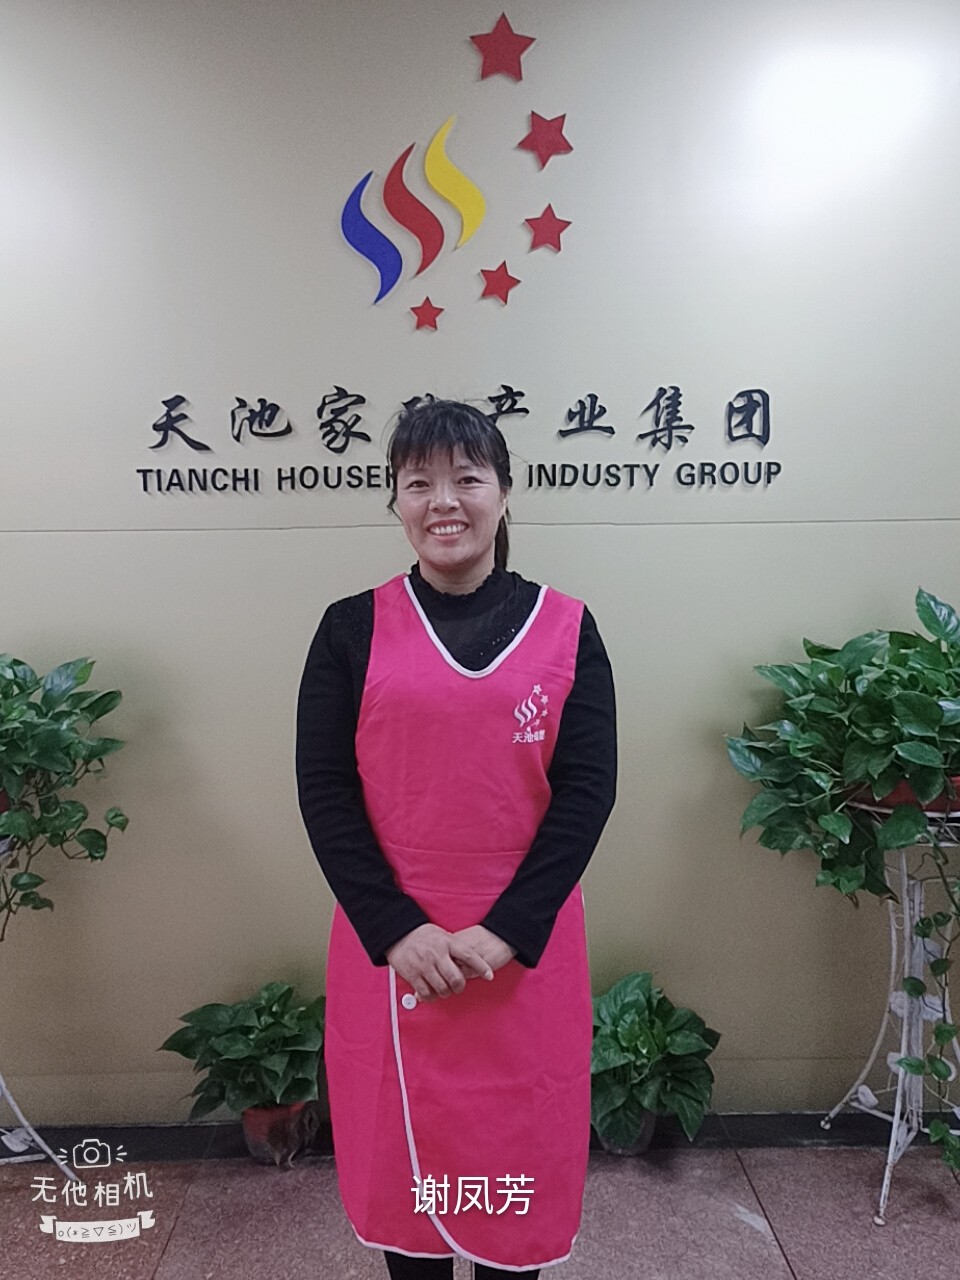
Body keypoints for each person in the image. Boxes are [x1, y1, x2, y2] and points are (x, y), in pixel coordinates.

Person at [296, 398, 617, 1279]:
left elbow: (587, 793)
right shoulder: (349, 628)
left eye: (467, 478)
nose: (444, 501)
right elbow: (325, 792)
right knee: (408, 1203)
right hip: (393, 949)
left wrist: (508, 929)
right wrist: (395, 928)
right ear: (396, 503)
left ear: (505, 492)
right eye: (419, 483)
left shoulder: (567, 627)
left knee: (515, 1192)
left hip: (523, 953)